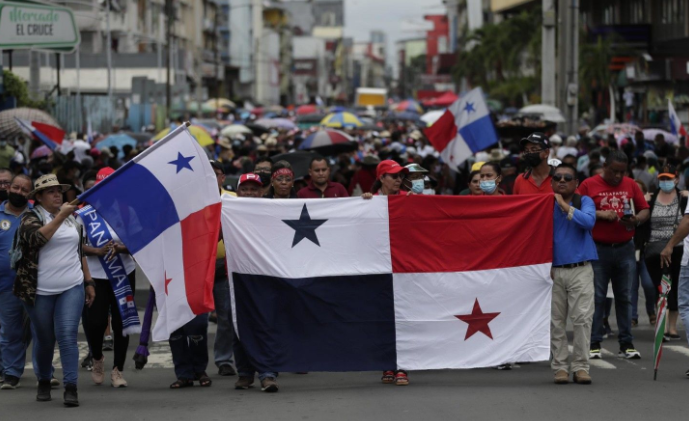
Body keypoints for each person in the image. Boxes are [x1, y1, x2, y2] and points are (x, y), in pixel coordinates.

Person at [14, 174, 96, 406]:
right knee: (45, 339)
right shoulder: (30, 217)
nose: (57, 194)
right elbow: (36, 240)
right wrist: (60, 216)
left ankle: (71, 387)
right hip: (39, 291)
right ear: (38, 197)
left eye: (59, 190)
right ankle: (43, 379)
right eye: (50, 191)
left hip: (71, 286)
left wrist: (88, 282)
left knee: (67, 336)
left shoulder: (73, 220)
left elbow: (79, 251)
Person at [578, 151, 650, 360]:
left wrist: (636, 219)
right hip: (598, 248)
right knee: (598, 297)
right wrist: (599, 214)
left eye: (622, 172)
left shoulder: (631, 184)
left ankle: (626, 342)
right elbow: (576, 210)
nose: (618, 176)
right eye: (613, 171)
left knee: (625, 296)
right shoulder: (589, 185)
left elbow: (645, 209)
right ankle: (594, 342)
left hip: (625, 247)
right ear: (604, 166)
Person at [75, 167, 137, 388]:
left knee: (122, 324)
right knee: (96, 322)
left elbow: (139, 242)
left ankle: (117, 370)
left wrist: (120, 248)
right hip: (96, 274)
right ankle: (98, 357)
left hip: (124, 273)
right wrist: (97, 251)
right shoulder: (83, 215)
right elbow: (76, 245)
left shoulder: (127, 211)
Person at [550, 164, 598, 385]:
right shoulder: (544, 204)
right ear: (551, 182)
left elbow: (589, 221)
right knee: (556, 321)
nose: (562, 180)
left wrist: (563, 206)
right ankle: (560, 367)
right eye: (557, 177)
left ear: (576, 183)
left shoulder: (584, 201)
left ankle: (580, 367)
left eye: (567, 177)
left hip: (580, 269)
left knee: (582, 320)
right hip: (553, 270)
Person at [232, 173, 280, 393]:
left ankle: (267, 373)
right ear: (238, 191)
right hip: (236, 275)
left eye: (254, 189)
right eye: (245, 189)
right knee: (237, 324)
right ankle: (244, 373)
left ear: (261, 192)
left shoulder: (273, 211)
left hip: (265, 275)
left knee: (266, 324)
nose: (250, 193)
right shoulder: (228, 210)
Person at [640, 164, 686, 340]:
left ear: (676, 179)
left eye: (669, 178)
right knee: (659, 287)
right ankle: (662, 325)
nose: (666, 182)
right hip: (654, 250)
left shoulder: (683, 198)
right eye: (662, 179)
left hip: (678, 249)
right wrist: (641, 201)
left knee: (674, 287)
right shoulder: (650, 199)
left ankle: (672, 328)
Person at [0, 174, 36, 389]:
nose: (18, 192)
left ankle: (44, 373)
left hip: (34, 284)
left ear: (30, 194)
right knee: (11, 330)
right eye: (15, 187)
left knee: (39, 329)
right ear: (8, 188)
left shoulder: (36, 216)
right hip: (6, 285)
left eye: (24, 190)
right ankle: (11, 372)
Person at [209, 161, 236, 377]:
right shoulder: (190, 202)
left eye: (214, 174)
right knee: (194, 318)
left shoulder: (232, 200)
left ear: (223, 177)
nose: (210, 177)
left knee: (226, 315)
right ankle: (193, 364)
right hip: (197, 268)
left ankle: (224, 359)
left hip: (224, 267)